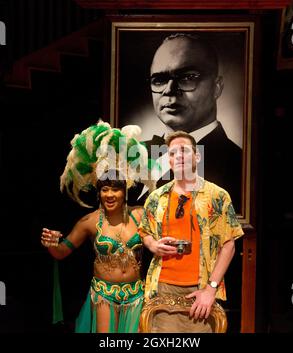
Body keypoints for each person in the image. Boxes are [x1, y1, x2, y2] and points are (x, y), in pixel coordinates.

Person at [41, 121, 156, 333]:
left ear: (124, 192)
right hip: (104, 296)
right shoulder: (90, 222)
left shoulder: (139, 214)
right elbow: (61, 253)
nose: (109, 195)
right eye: (104, 190)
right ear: (98, 192)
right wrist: (51, 244)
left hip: (136, 295)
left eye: (115, 189)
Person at [139, 131, 244, 333]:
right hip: (163, 289)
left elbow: (229, 245)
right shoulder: (156, 197)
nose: (178, 156)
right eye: (172, 153)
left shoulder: (217, 195)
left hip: (201, 289)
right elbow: (145, 232)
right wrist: (153, 244)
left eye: (184, 151)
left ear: (197, 156)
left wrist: (211, 289)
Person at [146, 33, 242, 211]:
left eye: (187, 77)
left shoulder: (239, 164)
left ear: (217, 87)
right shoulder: (136, 155)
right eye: (159, 80)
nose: (169, 90)